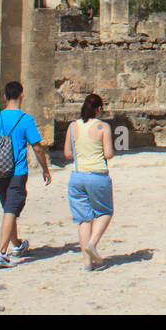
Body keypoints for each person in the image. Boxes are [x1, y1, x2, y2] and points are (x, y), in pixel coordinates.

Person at [0, 81, 52, 268]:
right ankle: (2, 253)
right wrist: (45, 169)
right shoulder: (26, 120)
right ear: (21, 95)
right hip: (17, 171)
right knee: (11, 210)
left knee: (8, 210)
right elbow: (37, 148)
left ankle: (17, 245)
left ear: (4, 97)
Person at [63, 93, 115, 271]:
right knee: (105, 212)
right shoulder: (103, 127)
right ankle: (92, 243)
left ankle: (87, 264)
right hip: (97, 175)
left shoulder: (72, 126)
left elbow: (67, 153)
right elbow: (108, 153)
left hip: (77, 176)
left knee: (84, 219)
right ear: (99, 109)